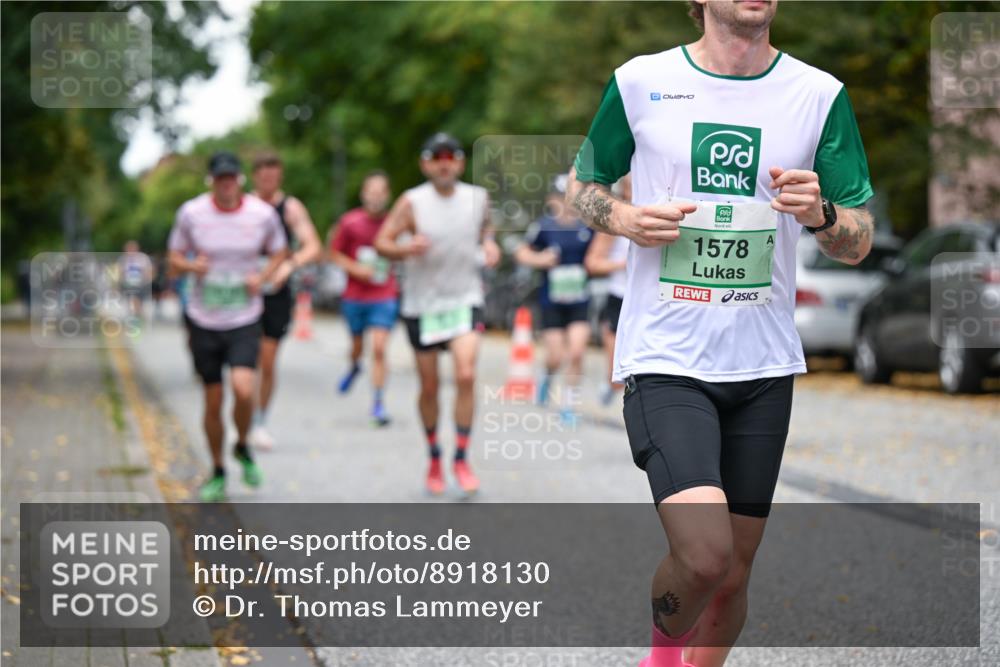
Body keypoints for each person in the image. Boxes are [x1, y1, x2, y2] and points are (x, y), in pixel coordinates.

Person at [567, 2, 874, 665]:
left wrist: (821, 212)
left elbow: (858, 238)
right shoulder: (640, 81)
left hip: (762, 367)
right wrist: (626, 217)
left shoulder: (819, 95)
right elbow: (581, 188)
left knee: (734, 571)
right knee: (704, 554)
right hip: (666, 356)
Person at [374, 133, 501, 495]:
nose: (444, 163)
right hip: (423, 304)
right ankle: (434, 455)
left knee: (465, 374)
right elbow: (382, 242)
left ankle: (460, 457)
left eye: (451, 157)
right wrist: (404, 248)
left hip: (464, 298)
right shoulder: (411, 202)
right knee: (429, 386)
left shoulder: (478, 198)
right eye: (436, 157)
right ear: (425, 164)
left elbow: (486, 230)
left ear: (460, 163)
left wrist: (490, 244)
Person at [168, 151, 288, 502]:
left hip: (245, 316)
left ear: (240, 179)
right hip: (204, 319)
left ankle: (242, 443)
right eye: (220, 178)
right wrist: (192, 268)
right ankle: (219, 468)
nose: (226, 184)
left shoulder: (262, 214)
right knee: (213, 399)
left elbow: (280, 251)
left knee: (244, 388)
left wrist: (262, 277)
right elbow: (173, 257)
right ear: (211, 181)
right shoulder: (192, 213)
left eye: (231, 177)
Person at [248, 151, 322, 450]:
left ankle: (259, 422)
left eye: (273, 173)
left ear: (279, 176)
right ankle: (244, 417)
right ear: (254, 176)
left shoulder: (289, 207)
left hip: (276, 294)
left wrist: (289, 265)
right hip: (246, 292)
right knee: (244, 361)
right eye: (262, 173)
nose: (268, 179)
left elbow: (313, 245)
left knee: (267, 361)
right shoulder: (244, 206)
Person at [514, 177, 593, 423]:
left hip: (580, 300)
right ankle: (547, 376)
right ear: (552, 200)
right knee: (556, 356)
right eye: (561, 198)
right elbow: (521, 252)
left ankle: (568, 405)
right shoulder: (544, 226)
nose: (566, 204)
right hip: (552, 301)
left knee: (578, 352)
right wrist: (541, 260)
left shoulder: (588, 228)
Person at [329, 170, 399, 426]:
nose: (376, 197)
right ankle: (355, 365)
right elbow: (334, 254)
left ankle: (378, 403)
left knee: (380, 348)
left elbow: (405, 246)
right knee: (358, 346)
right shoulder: (350, 222)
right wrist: (356, 269)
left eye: (381, 192)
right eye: (372, 191)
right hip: (355, 295)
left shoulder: (394, 223)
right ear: (363, 194)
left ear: (388, 195)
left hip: (384, 293)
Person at [585, 174, 632, 405]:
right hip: (619, 298)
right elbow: (593, 263)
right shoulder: (614, 222)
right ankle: (610, 385)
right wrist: (623, 264)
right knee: (616, 372)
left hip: (650, 300)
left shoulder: (662, 215)